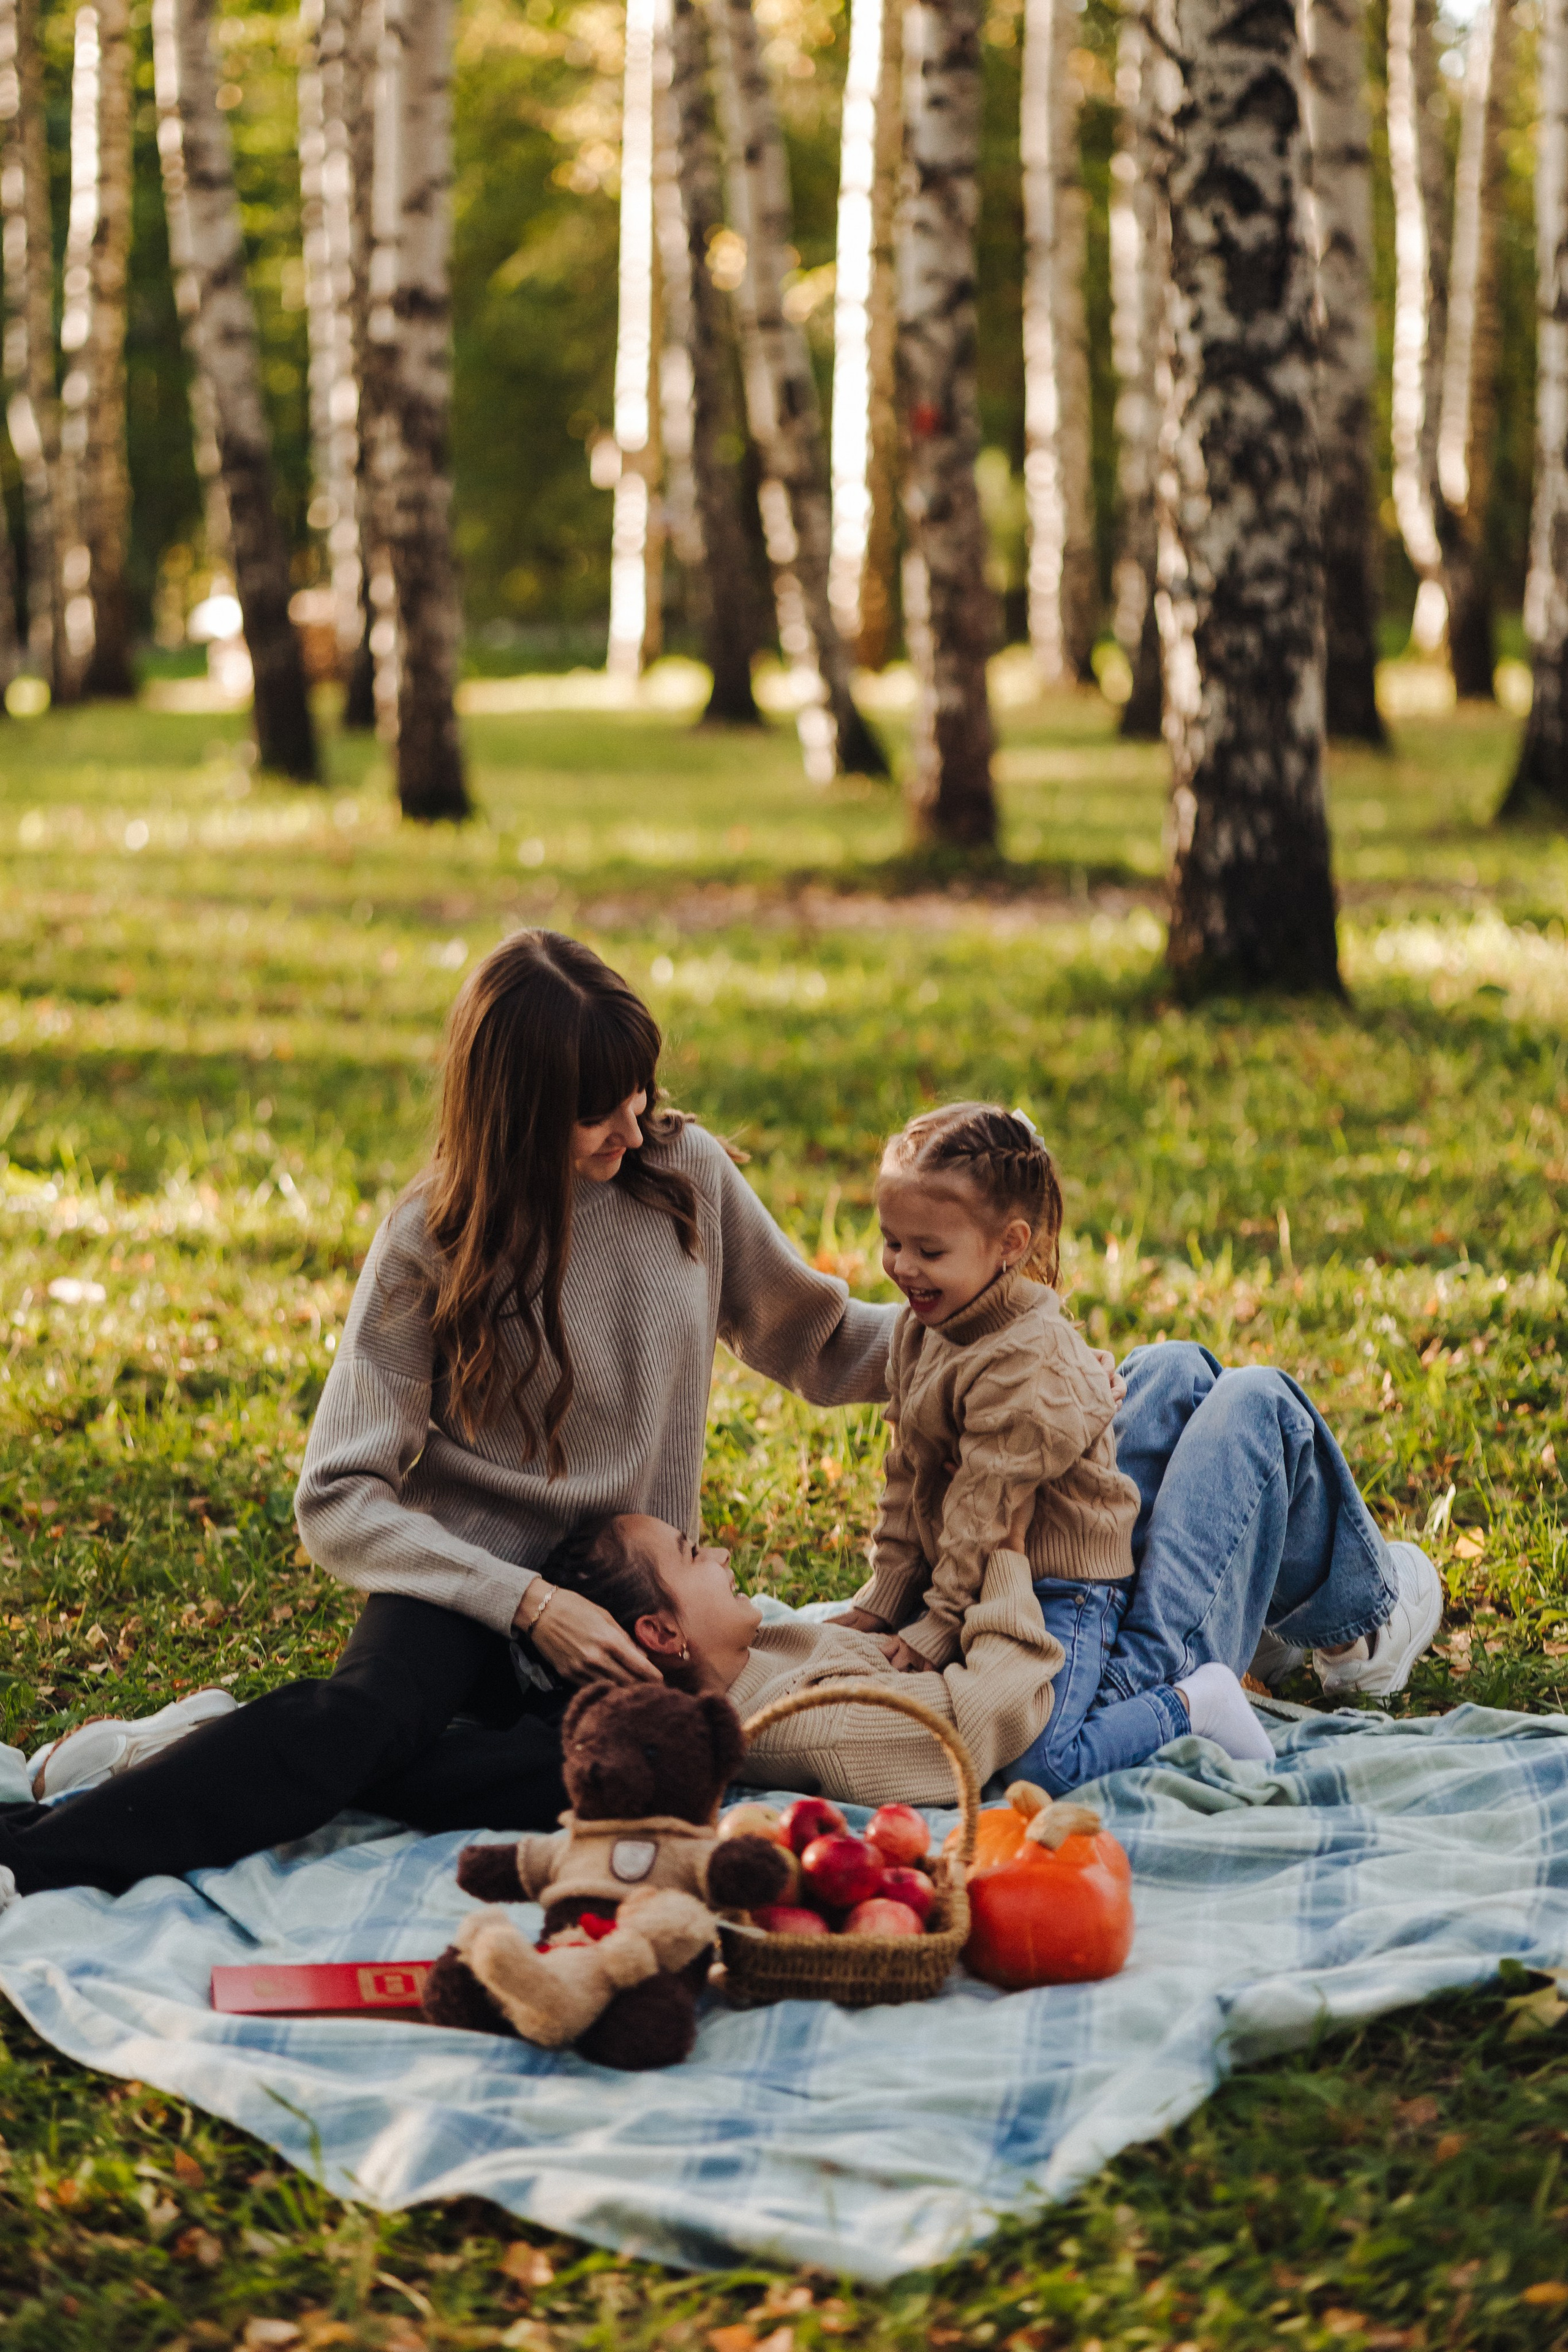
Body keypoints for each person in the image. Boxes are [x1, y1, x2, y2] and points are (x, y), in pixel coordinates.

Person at [0, 932, 896, 1899]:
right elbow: (338, 1495)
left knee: (649, 1775)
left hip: (621, 1600)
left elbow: (821, 1336)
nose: (632, 1131)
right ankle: (29, 1858)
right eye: (597, 1113)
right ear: (516, 1113)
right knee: (370, 1718)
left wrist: (992, 1345)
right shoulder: (430, 1240)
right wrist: (524, 1603)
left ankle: (225, 1744)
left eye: (639, 1093)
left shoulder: (686, 1179)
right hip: (459, 1589)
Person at [827, 1101, 1442, 1793]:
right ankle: (1250, 1590)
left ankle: (1361, 1631)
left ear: (1009, 1244)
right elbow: (911, 1473)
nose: (901, 1267)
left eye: (927, 1251)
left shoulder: (1021, 1356)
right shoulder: (926, 1330)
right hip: (1021, 1592)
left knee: (1252, 1399)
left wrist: (935, 1628)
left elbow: (984, 1511)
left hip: (1079, 1610)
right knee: (1176, 1369)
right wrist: (885, 1600)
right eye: (891, 1243)